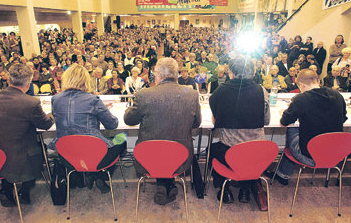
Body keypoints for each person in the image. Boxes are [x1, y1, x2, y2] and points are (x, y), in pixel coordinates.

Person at [124, 58, 201, 205]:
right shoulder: (192, 94)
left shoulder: (144, 95)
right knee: (170, 148)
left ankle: (163, 184)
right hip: (180, 157)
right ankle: (167, 183)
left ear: (158, 75)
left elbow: (129, 120)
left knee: (160, 147)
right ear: (177, 74)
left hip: (149, 156)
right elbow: (196, 123)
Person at [0, 64, 54, 206]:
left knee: (8, 143)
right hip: (17, 157)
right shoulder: (31, 103)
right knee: (38, 149)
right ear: (29, 82)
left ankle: (6, 190)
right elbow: (45, 125)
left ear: (8, 79)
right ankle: (24, 192)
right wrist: (52, 114)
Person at [50, 64, 126, 193]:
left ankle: (91, 174)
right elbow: (112, 125)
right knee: (122, 139)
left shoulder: (55, 99)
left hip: (68, 155)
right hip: (94, 154)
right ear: (86, 80)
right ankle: (100, 175)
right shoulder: (92, 100)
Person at [265, 69, 347, 185]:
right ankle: (282, 173)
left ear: (301, 85)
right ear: (317, 81)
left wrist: (288, 111)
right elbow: (343, 119)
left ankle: (283, 174)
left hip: (309, 155)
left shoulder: (301, 99)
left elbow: (284, 122)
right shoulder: (337, 95)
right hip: (334, 153)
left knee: (292, 128)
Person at [209, 56, 270, 204]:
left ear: (230, 72)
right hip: (256, 153)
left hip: (231, 153)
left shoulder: (220, 91)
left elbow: (215, 121)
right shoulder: (262, 91)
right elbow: (266, 121)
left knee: (213, 149)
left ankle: (225, 189)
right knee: (246, 155)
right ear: (254, 72)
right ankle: (245, 189)